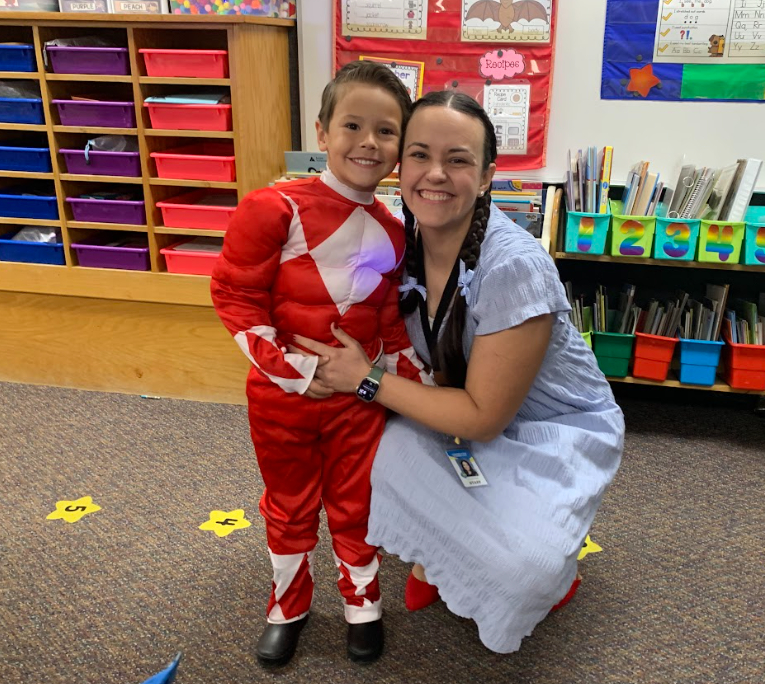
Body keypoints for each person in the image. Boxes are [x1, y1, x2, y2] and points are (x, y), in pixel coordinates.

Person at [290, 91, 625, 654]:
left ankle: (550, 564)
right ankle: (440, 552)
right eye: (419, 155)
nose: (436, 175)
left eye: (460, 160)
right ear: (400, 166)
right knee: (368, 453)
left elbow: (484, 419)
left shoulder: (513, 267)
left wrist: (364, 379)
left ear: (489, 175)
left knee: (528, 572)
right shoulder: (397, 234)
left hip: (547, 428)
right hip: (446, 404)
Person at [210, 61, 431, 667]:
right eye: (353, 125)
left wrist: (411, 382)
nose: (369, 142)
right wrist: (296, 375)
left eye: (386, 131)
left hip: (358, 400)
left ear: (401, 144)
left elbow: (387, 319)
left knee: (355, 501)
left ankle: (363, 603)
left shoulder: (392, 229)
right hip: (284, 400)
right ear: (322, 130)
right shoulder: (272, 206)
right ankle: (288, 604)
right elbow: (235, 296)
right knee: (288, 501)